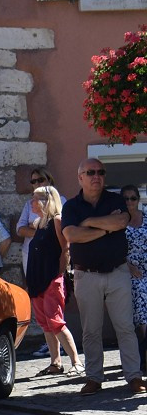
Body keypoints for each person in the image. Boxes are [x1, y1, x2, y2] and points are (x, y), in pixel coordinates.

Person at [62, 159, 143, 395]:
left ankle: (134, 377)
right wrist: (105, 228)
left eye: (100, 172)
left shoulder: (116, 200)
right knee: (91, 330)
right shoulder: (71, 207)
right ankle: (94, 378)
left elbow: (121, 221)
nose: (96, 176)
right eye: (90, 172)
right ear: (80, 177)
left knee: (125, 327)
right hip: (86, 275)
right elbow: (72, 235)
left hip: (118, 272)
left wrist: (88, 223)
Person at [20, 185, 82, 377]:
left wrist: (59, 275)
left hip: (51, 278)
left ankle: (77, 362)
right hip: (37, 279)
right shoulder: (39, 223)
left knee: (56, 322)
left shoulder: (57, 220)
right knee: (45, 323)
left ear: (47, 200)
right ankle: (55, 363)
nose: (32, 202)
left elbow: (66, 250)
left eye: (36, 198)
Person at [120, 185, 147, 373]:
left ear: (138, 200)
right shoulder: (118, 221)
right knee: (141, 303)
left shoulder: (146, 218)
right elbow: (113, 249)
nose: (130, 202)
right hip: (130, 272)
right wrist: (128, 266)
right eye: (126, 199)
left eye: (133, 198)